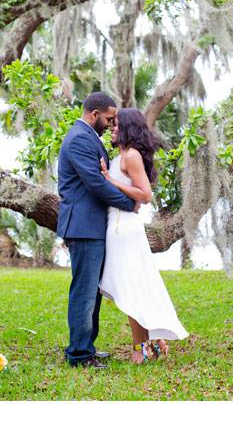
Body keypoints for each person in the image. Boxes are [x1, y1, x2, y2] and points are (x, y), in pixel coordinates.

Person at [99, 108, 189, 364]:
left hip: (126, 229)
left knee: (131, 291)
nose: (112, 128)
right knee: (130, 290)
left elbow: (145, 194)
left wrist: (110, 181)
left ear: (128, 127)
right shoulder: (120, 157)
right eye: (112, 124)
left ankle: (141, 349)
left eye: (116, 125)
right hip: (115, 228)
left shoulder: (132, 156)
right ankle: (153, 342)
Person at [57, 92, 136, 368]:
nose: (111, 123)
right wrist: (129, 203)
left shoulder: (89, 138)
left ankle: (86, 346)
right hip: (83, 226)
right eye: (109, 118)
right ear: (94, 114)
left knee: (92, 292)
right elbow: (95, 184)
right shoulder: (79, 139)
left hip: (91, 226)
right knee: (84, 291)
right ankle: (79, 354)